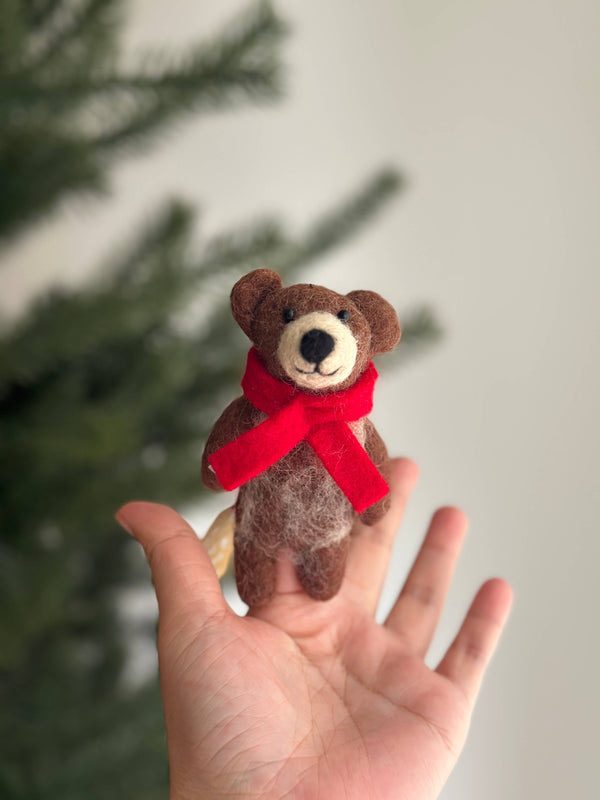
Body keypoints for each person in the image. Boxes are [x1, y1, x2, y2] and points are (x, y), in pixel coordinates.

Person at [116, 458, 512, 800]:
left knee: (325, 554)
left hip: (320, 532)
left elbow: (365, 481)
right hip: (265, 518)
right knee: (268, 556)